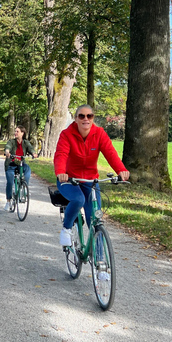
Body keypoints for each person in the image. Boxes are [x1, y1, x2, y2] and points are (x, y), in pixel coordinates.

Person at [54, 104, 130, 246]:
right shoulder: (66, 134)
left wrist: (121, 170)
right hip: (69, 180)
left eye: (89, 116)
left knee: (94, 221)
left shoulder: (99, 133)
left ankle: (100, 263)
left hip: (90, 181)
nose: (86, 119)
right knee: (78, 200)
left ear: (93, 118)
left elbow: (111, 153)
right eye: (81, 116)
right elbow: (61, 155)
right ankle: (66, 229)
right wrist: (61, 172)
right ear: (76, 118)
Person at [3, 126, 35, 211]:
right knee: (10, 182)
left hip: (21, 164)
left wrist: (33, 153)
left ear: (22, 133)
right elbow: (8, 147)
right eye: (15, 131)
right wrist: (7, 152)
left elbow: (31, 148)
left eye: (17, 131)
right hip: (11, 164)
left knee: (27, 170)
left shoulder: (25, 142)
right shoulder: (12, 141)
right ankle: (8, 201)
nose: (15, 133)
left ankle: (24, 187)